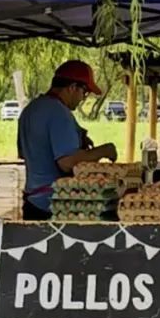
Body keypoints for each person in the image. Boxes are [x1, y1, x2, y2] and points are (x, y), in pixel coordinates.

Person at [17, 60, 118, 220]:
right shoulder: (59, 113)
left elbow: (24, 153)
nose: (82, 99)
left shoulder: (30, 110)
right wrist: (103, 150)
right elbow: (67, 162)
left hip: (32, 202)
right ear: (72, 87)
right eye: (84, 93)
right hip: (57, 204)